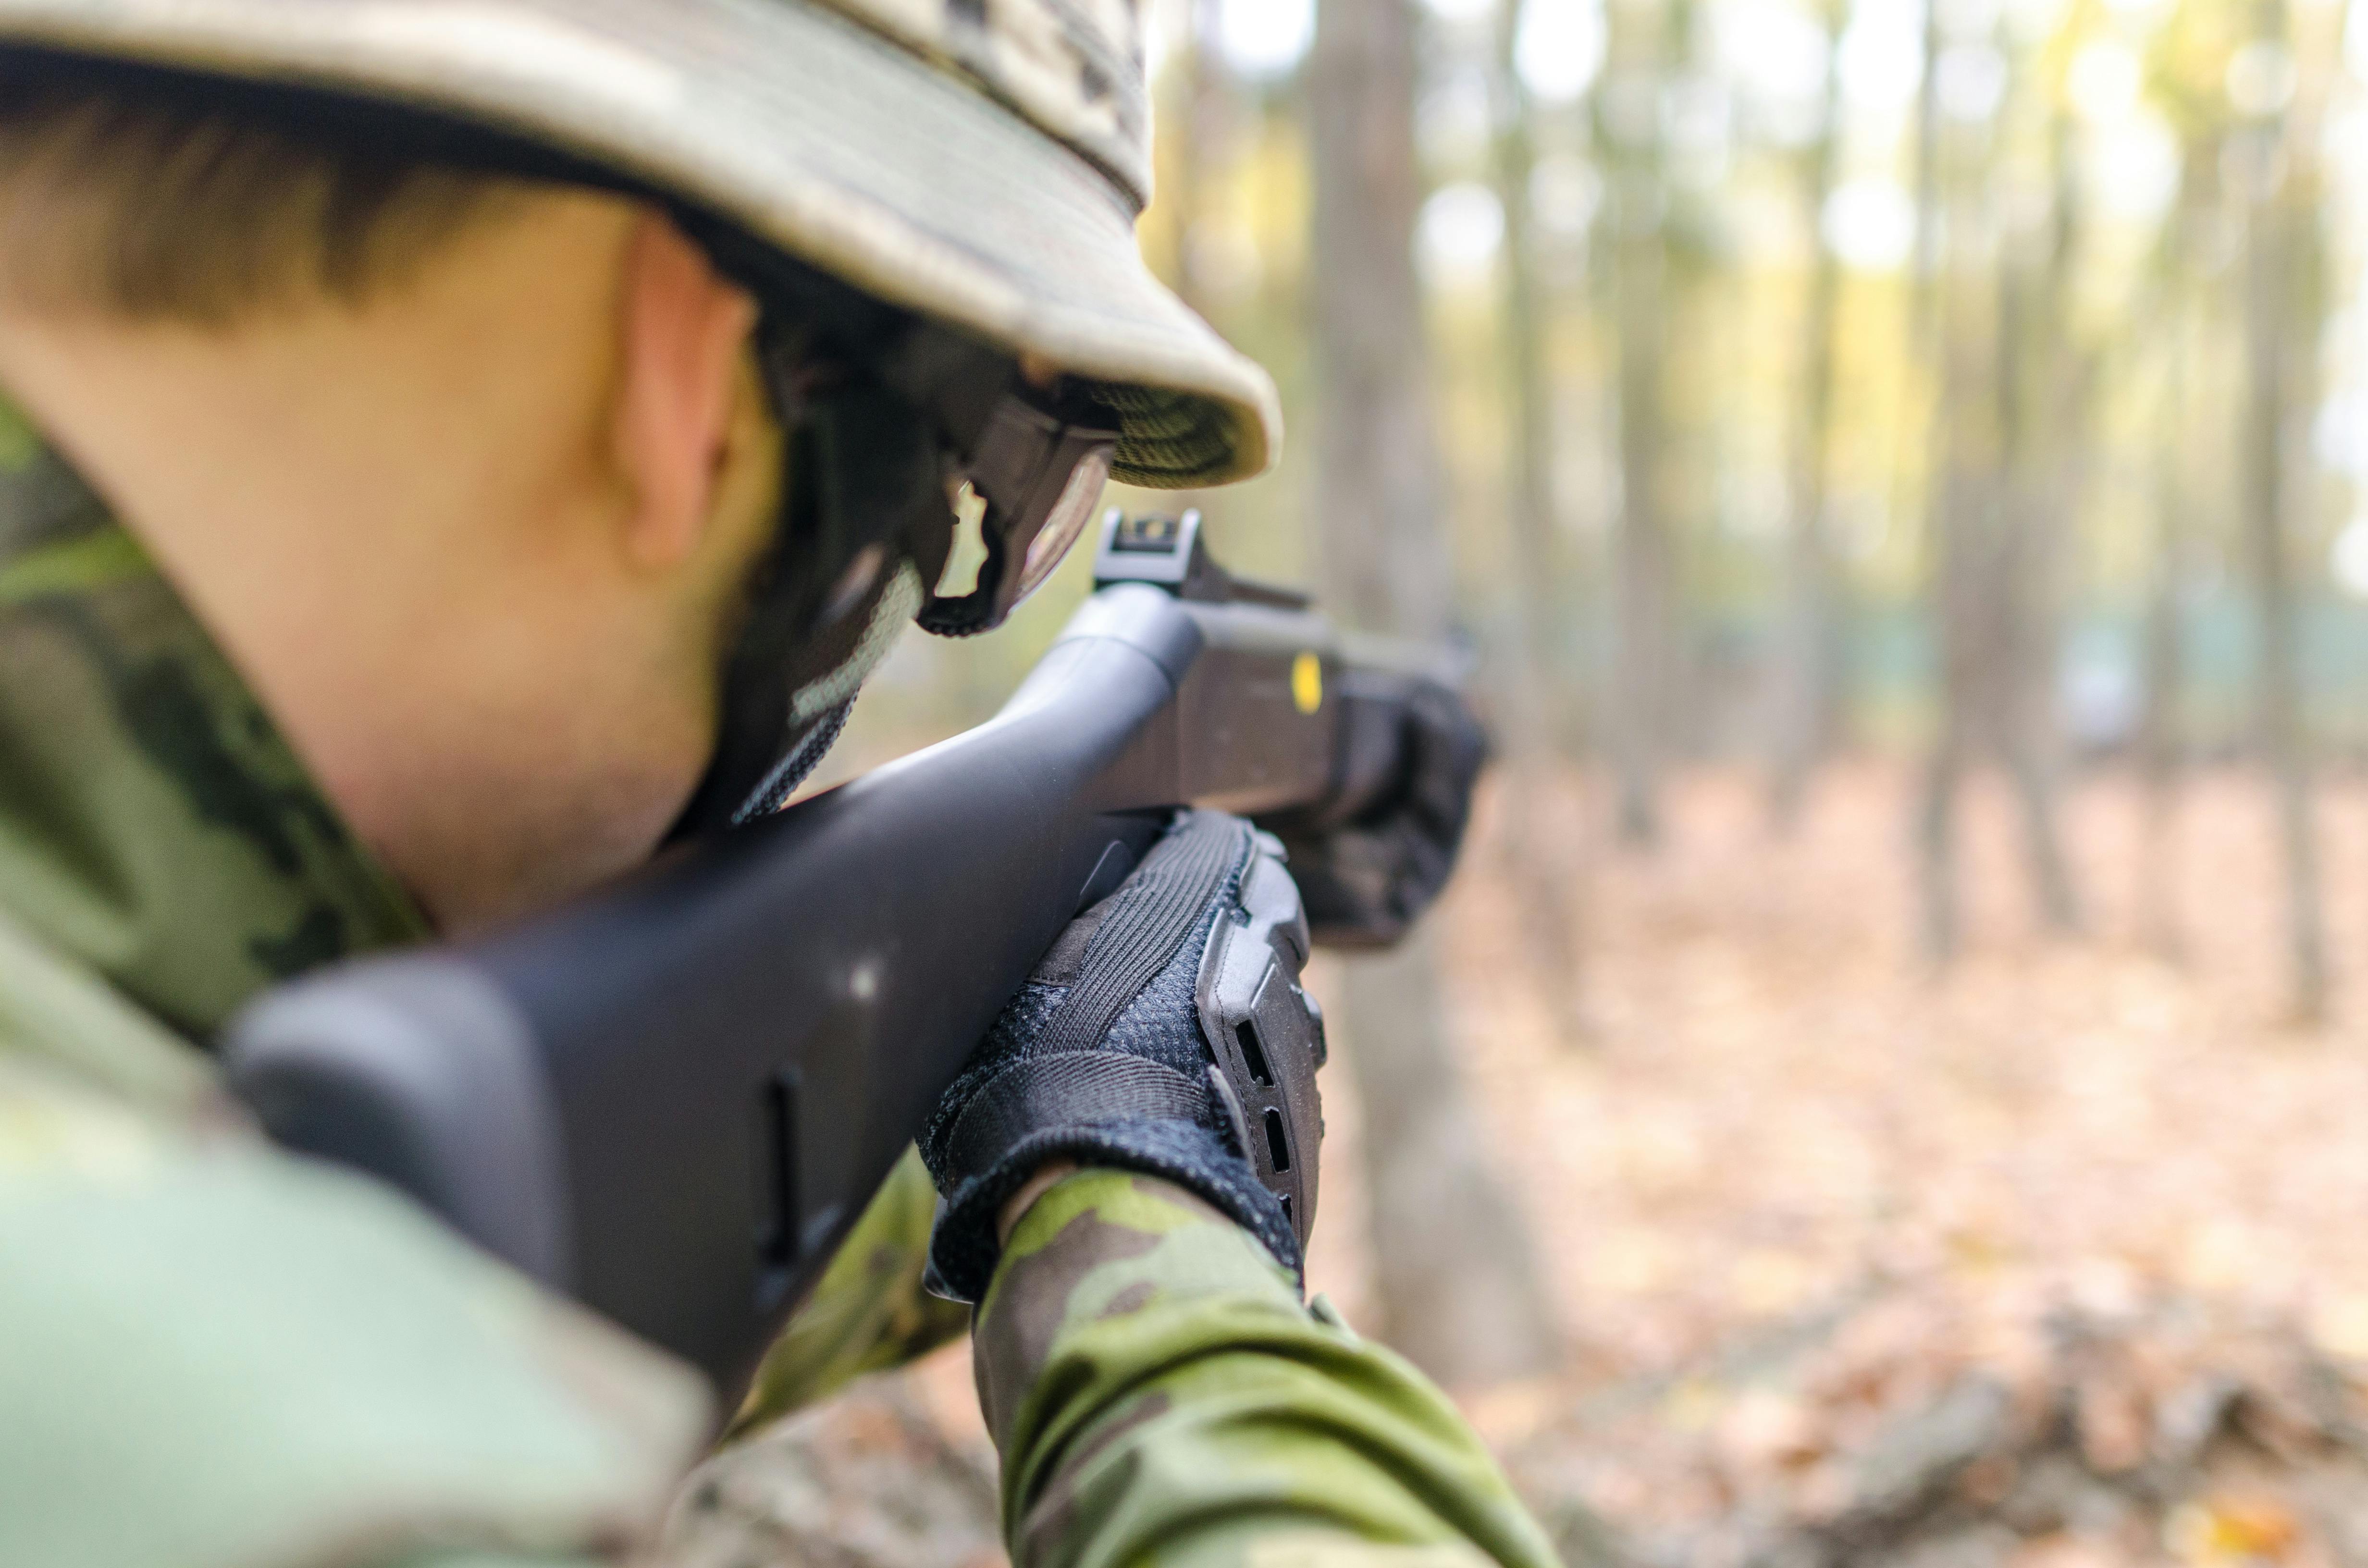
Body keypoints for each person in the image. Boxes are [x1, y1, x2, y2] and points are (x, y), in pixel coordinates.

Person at [0, 4, 1561, 1567]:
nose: (959, 554)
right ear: (680, 376)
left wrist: (1025, 1076)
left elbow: (615, 1192)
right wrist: (1166, 1247)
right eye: (993, 475)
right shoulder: (267, 1466)